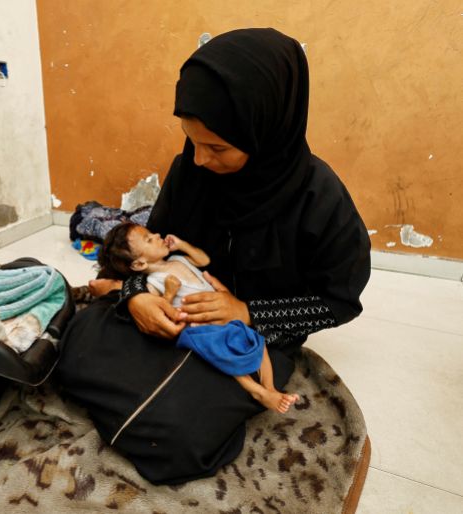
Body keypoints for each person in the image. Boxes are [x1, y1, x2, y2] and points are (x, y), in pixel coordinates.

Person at [56, 28, 371, 485]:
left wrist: (247, 310)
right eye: (192, 140)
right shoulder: (191, 170)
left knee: (174, 431)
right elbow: (150, 253)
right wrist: (135, 296)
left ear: (266, 131)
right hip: (178, 310)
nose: (199, 159)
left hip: (250, 335)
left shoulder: (321, 201)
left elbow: (338, 302)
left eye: (218, 147)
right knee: (74, 347)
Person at [98, 221, 300, 413]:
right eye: (149, 239)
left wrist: (182, 245)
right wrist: (169, 293)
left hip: (223, 314)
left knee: (258, 341)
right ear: (139, 264)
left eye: (151, 233)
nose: (157, 235)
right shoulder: (154, 282)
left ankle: (270, 388)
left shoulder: (177, 259)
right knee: (224, 353)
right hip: (201, 327)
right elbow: (161, 316)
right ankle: (256, 391)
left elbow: (204, 260)